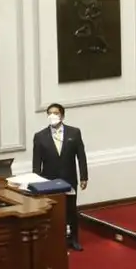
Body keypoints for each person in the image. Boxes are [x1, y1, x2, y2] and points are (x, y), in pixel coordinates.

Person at [31, 103, 89, 250]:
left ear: (62, 115)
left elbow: (81, 156)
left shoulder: (74, 133)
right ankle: (54, 241)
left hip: (69, 179)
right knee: (53, 212)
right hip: (49, 181)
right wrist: (36, 183)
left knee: (71, 210)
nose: (52, 116)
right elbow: (36, 162)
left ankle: (74, 239)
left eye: (55, 113)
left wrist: (84, 176)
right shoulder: (40, 136)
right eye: (50, 113)